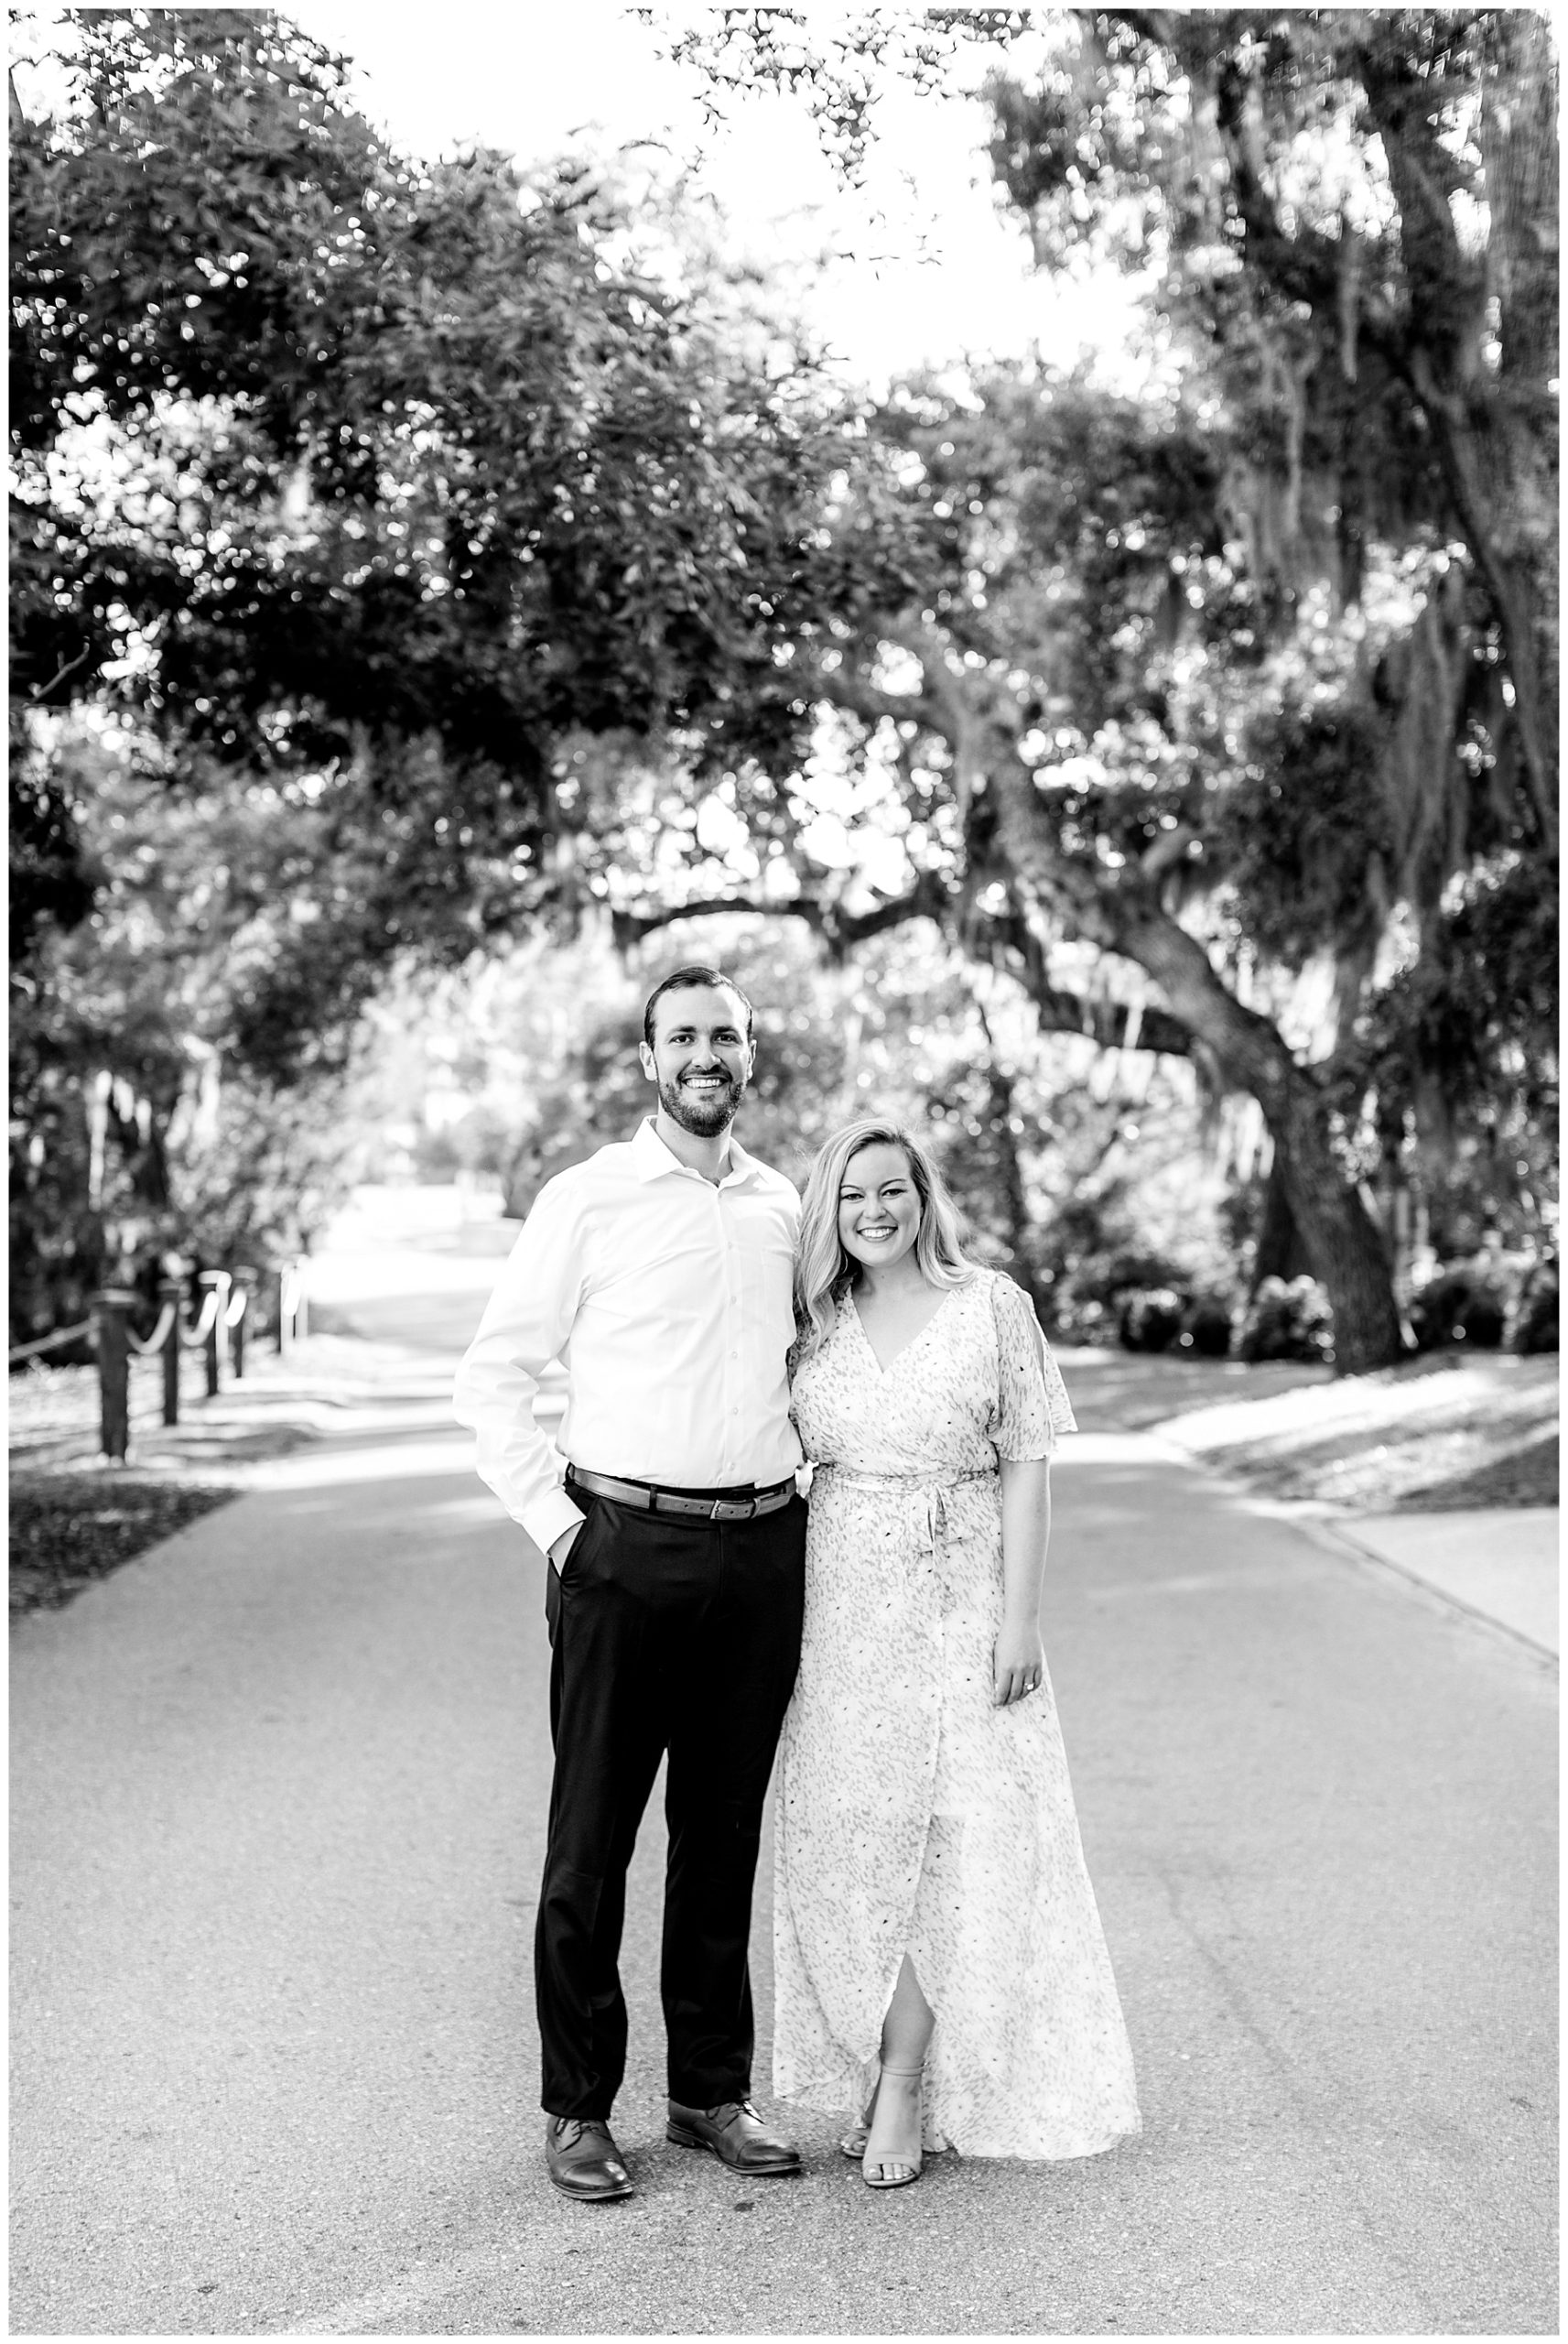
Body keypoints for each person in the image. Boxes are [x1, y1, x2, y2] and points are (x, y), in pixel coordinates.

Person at [454, 967, 808, 2204]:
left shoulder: (783, 1206)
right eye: (684, 1036)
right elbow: (493, 1376)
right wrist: (563, 1532)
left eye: (726, 1036)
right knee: (590, 1846)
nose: (707, 1054)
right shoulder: (588, 1197)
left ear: (749, 1055)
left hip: (761, 1553)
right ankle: (578, 2109)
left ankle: (709, 2092)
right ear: (650, 1058)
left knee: (722, 1839)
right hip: (620, 1548)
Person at [772, 1118, 1141, 2186]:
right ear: (829, 1213)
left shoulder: (992, 1306)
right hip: (841, 1607)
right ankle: (885, 2051)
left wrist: (1020, 1619)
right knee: (853, 1838)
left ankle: (902, 2076)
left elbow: (1027, 1466)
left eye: (892, 1190)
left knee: (959, 1840)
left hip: (966, 1595)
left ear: (923, 1198)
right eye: (852, 1196)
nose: (873, 1211)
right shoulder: (811, 1321)